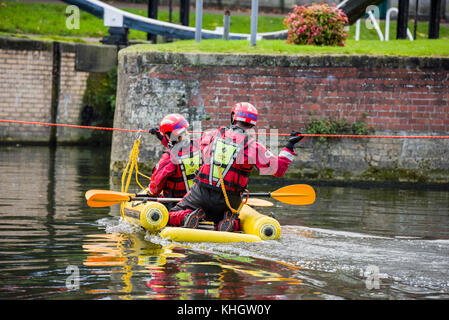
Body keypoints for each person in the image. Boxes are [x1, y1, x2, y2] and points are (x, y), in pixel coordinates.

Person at [168, 102, 304, 231]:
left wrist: (165, 140)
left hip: (200, 195)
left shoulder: (210, 135)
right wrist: (289, 146)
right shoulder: (253, 146)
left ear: (233, 117)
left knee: (171, 214)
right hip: (229, 201)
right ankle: (231, 222)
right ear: (252, 124)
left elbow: (187, 149)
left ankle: (186, 216)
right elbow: (278, 170)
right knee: (228, 215)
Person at [147, 114, 202, 212]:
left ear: (168, 136)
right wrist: (160, 137)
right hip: (199, 200)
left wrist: (150, 193)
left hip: (177, 204)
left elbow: (155, 187)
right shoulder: (198, 145)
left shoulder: (169, 157)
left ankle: (182, 218)